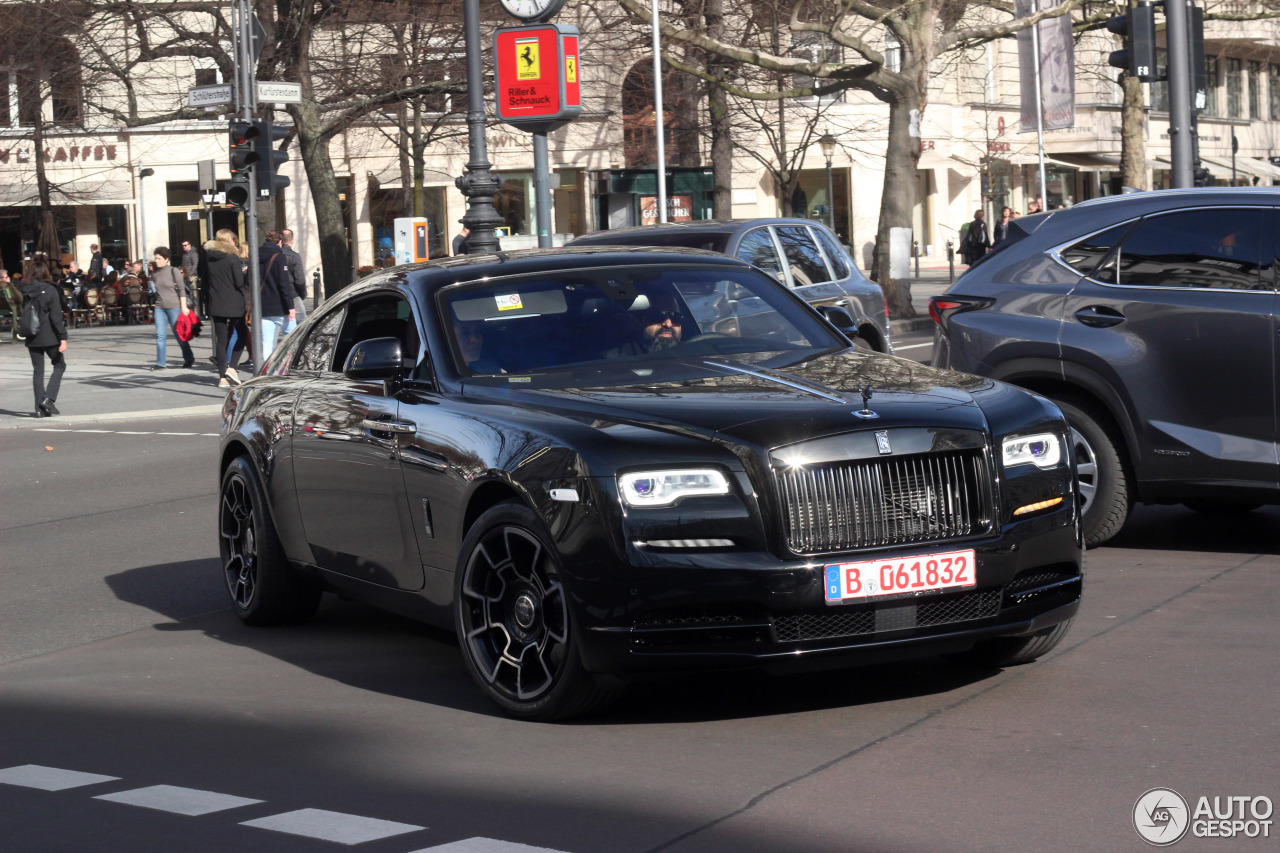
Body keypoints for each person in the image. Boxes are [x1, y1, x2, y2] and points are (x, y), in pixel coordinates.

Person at [20, 260, 67, 417]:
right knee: (59, 365)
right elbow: (56, 317)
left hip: (32, 335)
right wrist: (63, 337)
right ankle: (49, 399)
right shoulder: (50, 290)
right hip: (49, 335)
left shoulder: (25, 290)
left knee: (38, 371)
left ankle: (38, 409)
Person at [205, 229, 249, 387]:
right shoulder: (232, 258)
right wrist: (245, 274)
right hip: (234, 302)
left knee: (221, 340)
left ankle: (222, 377)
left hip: (216, 302)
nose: (235, 244)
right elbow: (239, 282)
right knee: (242, 334)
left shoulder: (209, 259)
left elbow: (205, 281)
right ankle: (233, 367)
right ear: (229, 241)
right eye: (234, 240)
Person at [147, 246, 195, 371]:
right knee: (160, 335)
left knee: (179, 334)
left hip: (174, 307)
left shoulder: (174, 271)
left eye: (159, 258)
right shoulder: (155, 274)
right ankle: (160, 363)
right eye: (156, 258)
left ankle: (189, 357)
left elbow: (182, 289)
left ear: (166, 259)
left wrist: (183, 307)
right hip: (160, 307)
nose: (156, 260)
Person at [258, 230, 297, 355]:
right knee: (292, 337)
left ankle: (267, 369)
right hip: (280, 306)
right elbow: (283, 283)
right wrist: (290, 306)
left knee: (267, 342)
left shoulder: (256, 256)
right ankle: (289, 365)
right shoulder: (279, 257)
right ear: (280, 242)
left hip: (263, 306)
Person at [281, 228, 307, 325]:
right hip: (292, 294)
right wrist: (302, 294)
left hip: (276, 295)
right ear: (292, 240)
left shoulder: (275, 255)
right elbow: (299, 280)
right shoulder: (294, 256)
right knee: (301, 324)